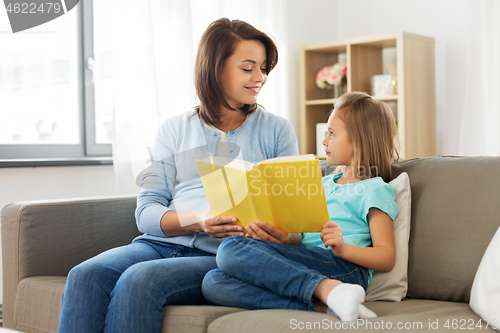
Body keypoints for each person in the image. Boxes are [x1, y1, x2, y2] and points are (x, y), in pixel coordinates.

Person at [58, 18, 298, 333]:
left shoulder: (277, 130)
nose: (260, 78)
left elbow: (295, 225)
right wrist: (199, 219)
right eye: (248, 68)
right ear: (215, 69)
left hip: (224, 255)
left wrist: (284, 234)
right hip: (157, 245)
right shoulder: (174, 129)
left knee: (139, 280)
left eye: (264, 68)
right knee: (84, 275)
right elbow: (146, 212)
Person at [202, 92, 400, 321]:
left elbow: (386, 257)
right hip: (306, 260)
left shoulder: (374, 189)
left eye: (332, 133)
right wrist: (285, 239)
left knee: (229, 249)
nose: (325, 141)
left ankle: (328, 289)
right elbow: (303, 236)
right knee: (213, 282)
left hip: (345, 267)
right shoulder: (323, 183)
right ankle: (326, 304)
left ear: (359, 140)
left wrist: (343, 248)